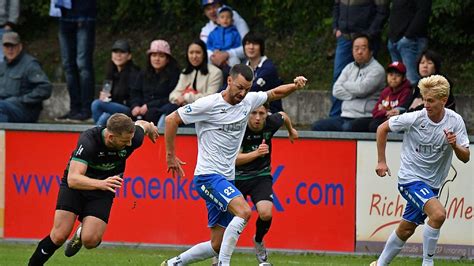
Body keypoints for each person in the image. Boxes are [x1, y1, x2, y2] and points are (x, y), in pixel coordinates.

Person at [162, 64, 307, 266]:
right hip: (208, 176)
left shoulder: (248, 101)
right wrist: (170, 156)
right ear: (229, 80)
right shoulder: (208, 104)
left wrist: (295, 85)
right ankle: (224, 264)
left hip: (227, 177)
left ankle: (173, 264)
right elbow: (171, 119)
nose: (242, 93)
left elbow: (274, 93)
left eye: (247, 88)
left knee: (216, 244)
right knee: (244, 212)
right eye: (239, 87)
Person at [28, 113, 159, 266]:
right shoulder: (89, 141)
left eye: (130, 139)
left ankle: (81, 233)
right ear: (110, 137)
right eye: (124, 141)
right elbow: (73, 179)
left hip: (104, 187)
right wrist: (101, 183)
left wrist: (151, 127)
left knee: (90, 240)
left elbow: (142, 125)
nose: (130, 144)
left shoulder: (133, 138)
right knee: (59, 236)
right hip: (76, 186)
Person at [372, 75, 470, 266]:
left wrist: (455, 145)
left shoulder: (455, 121)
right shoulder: (415, 118)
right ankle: (428, 262)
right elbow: (382, 128)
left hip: (432, 185)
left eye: (430, 100)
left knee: (406, 228)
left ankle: (379, 264)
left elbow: (466, 157)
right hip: (410, 179)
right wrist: (381, 161)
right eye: (424, 99)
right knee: (438, 214)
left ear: (443, 100)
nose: (425, 104)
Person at [235, 104, 298, 263]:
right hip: (236, 177)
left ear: (266, 114)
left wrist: (291, 131)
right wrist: (256, 153)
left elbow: (283, 115)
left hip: (260, 176)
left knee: (266, 213)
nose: (257, 118)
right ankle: (218, 252)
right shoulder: (238, 127)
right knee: (229, 219)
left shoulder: (271, 122)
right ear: (247, 114)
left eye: (261, 113)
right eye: (253, 113)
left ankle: (258, 240)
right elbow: (233, 160)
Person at [312, 33, 385, 131]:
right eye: (356, 48)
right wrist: (354, 94)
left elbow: (362, 89)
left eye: (363, 48)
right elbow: (336, 90)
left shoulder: (377, 70)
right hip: (345, 115)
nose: (359, 52)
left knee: (348, 128)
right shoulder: (349, 67)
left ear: (371, 51)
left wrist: (345, 85)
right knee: (318, 126)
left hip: (365, 117)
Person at [329, 0, 388, 117]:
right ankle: (337, 117)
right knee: (338, 77)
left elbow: (383, 10)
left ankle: (366, 116)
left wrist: (370, 34)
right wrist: (336, 27)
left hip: (365, 37)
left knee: (366, 77)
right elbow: (336, 5)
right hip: (344, 37)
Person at [54, 0, 97, 122]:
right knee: (68, 65)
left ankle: (86, 109)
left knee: (83, 65)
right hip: (64, 15)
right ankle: (74, 109)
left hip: (84, 15)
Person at [0, 31, 52, 123]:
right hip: (5, 107)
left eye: (13, 46)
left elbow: (45, 88)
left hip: (24, 109)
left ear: (20, 46)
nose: (10, 50)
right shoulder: (2, 66)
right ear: (2, 48)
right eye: (7, 46)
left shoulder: (30, 64)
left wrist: (23, 100)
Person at [350, 61, 412, 132]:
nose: (393, 78)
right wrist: (387, 111)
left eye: (397, 75)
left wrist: (384, 109)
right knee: (357, 124)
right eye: (391, 75)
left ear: (404, 78)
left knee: (374, 125)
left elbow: (398, 112)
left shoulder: (406, 91)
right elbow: (375, 112)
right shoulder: (386, 91)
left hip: (395, 122)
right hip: (381, 118)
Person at [91, 39, 140, 126]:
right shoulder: (110, 72)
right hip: (112, 108)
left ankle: (95, 136)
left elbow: (134, 97)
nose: (118, 55)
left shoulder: (134, 73)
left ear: (129, 56)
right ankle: (100, 136)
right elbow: (106, 93)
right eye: (115, 52)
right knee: (105, 117)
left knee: (96, 104)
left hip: (129, 109)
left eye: (122, 52)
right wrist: (104, 96)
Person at [129, 39, 180, 123]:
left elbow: (172, 97)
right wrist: (136, 106)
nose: (157, 59)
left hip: (161, 110)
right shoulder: (143, 73)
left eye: (161, 56)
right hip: (141, 109)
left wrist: (148, 106)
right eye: (154, 55)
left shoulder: (174, 75)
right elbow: (135, 92)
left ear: (167, 59)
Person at [168, 39, 223, 113]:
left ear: (204, 54)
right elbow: (174, 94)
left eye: (198, 52)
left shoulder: (215, 73)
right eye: (191, 53)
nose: (194, 56)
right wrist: (178, 99)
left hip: (204, 112)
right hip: (183, 109)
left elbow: (211, 98)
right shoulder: (185, 72)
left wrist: (186, 97)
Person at [387, 0, 431, 86]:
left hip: (411, 41)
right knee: (397, 81)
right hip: (395, 40)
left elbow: (423, 12)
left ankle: (415, 99)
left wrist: (408, 36)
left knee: (412, 80)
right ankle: (401, 99)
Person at [399, 49, 456, 114]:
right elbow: (408, 102)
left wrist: (408, 113)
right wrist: (399, 110)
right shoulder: (418, 84)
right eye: (422, 63)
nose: (425, 66)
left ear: (436, 67)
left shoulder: (440, 83)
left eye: (429, 63)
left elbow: (431, 105)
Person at [243, 32, 283, 113]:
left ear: (261, 47)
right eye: (247, 44)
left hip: (269, 111)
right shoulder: (243, 66)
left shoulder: (269, 68)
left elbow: (254, 89)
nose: (251, 47)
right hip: (248, 108)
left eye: (255, 44)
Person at [200, 0, 248, 68]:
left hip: (234, 59)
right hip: (214, 59)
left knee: (235, 63)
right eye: (208, 9)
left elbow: (247, 45)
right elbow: (204, 49)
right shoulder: (206, 30)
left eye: (214, 6)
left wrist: (227, 54)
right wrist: (213, 55)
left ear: (220, 6)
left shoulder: (234, 17)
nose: (212, 11)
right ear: (204, 12)